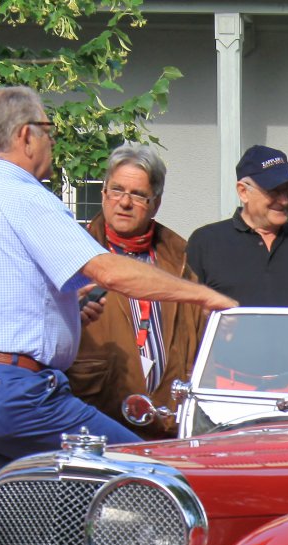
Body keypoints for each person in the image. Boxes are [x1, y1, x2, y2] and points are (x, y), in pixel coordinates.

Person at [0, 87, 233, 490]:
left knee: (5, 514)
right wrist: (206, 296)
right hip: (9, 392)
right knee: (157, 478)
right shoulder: (25, 197)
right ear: (25, 135)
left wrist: (65, 310)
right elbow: (108, 271)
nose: (52, 142)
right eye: (48, 130)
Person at [71, 144, 203, 438]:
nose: (124, 202)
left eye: (138, 195)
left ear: (155, 203)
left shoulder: (179, 259)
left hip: (166, 425)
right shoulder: (77, 254)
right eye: (117, 190)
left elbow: (198, 336)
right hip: (98, 420)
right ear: (103, 193)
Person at [185, 145, 288, 309]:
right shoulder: (206, 242)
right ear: (243, 192)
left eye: (287, 189)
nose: (284, 200)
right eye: (274, 191)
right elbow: (187, 313)